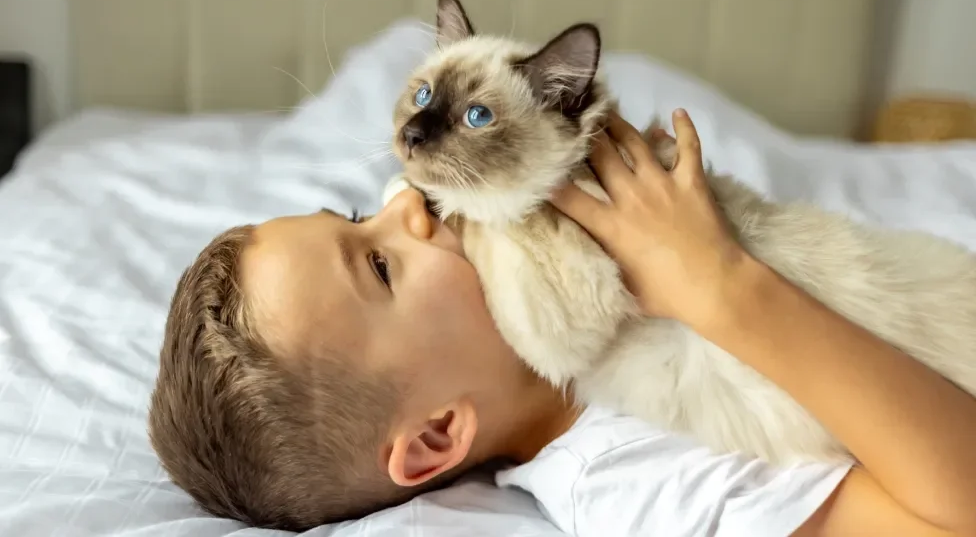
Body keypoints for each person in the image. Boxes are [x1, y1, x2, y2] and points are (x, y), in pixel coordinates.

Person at [148, 109, 976, 536]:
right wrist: (721, 287)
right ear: (438, 434)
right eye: (379, 265)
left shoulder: (590, 308)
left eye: (361, 212)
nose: (408, 202)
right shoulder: (636, 485)